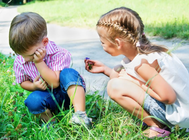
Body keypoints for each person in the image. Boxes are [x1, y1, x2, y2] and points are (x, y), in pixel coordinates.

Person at [85, 7, 189, 138]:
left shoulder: (143, 64)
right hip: (178, 111)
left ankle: (159, 127)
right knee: (118, 70)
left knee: (114, 87)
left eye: (103, 42)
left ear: (117, 42)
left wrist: (133, 81)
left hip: (179, 117)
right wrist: (105, 70)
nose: (102, 46)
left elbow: (168, 97)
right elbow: (120, 74)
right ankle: (157, 123)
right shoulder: (143, 53)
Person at [9, 12, 92, 128]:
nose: (26, 59)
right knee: (32, 100)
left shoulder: (58, 53)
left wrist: (38, 62)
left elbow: (54, 82)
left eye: (31, 55)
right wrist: (33, 87)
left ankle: (80, 116)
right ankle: (50, 123)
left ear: (45, 42)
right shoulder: (21, 60)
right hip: (47, 97)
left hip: (67, 95)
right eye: (21, 54)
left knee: (68, 73)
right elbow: (23, 82)